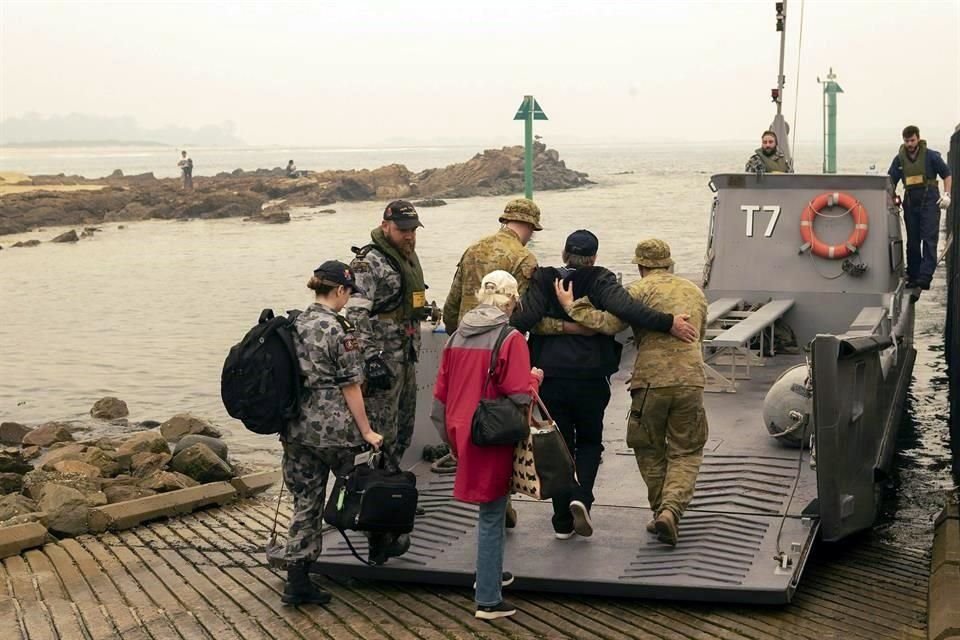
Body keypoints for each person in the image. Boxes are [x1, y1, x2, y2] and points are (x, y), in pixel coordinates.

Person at [510, 229, 698, 540]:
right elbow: (627, 309)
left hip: (550, 377)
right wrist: (668, 323)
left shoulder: (544, 278)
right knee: (589, 442)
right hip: (590, 377)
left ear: (564, 254)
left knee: (560, 446)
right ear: (594, 257)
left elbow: (522, 319)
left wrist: (552, 323)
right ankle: (581, 498)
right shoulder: (600, 279)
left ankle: (562, 521)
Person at [556, 239, 708, 547]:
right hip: (691, 379)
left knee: (648, 447)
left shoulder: (637, 291)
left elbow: (609, 324)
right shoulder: (694, 291)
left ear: (640, 266)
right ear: (668, 263)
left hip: (650, 382)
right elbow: (699, 335)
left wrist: (573, 306)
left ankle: (661, 509)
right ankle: (671, 510)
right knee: (687, 450)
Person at [430, 270, 542, 620]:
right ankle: (488, 598)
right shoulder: (510, 338)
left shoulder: (456, 336)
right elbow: (520, 394)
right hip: (491, 432)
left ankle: (490, 572)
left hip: (461, 429)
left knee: (490, 506)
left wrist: (449, 439)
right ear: (512, 301)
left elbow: (439, 397)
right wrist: (535, 378)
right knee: (492, 512)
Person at [281, 260, 387, 606]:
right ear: (340, 290)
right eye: (348, 293)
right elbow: (351, 385)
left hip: (296, 428)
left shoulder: (294, 323)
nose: (348, 299)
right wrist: (367, 431)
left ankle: (297, 579)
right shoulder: (339, 329)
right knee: (365, 486)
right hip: (335, 431)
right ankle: (379, 547)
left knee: (305, 502)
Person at [345, 200, 430, 472]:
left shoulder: (406, 258)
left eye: (413, 230)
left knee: (404, 427)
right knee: (382, 432)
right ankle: (372, 486)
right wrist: (370, 358)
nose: (409, 236)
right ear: (385, 226)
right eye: (402, 230)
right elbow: (355, 314)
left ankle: (392, 482)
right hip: (382, 361)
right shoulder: (366, 263)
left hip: (406, 356)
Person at [443, 198, 543, 334]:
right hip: (499, 340)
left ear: (506, 221)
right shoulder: (525, 259)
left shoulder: (474, 249)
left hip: (465, 333)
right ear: (531, 227)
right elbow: (521, 313)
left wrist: (457, 335)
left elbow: (452, 305)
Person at [887, 125, 952, 291]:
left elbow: (946, 174)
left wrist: (947, 194)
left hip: (929, 200)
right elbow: (890, 181)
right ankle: (914, 274)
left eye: (912, 140)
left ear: (918, 138)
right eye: (907, 141)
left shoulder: (931, 156)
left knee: (929, 239)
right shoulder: (899, 159)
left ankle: (925, 276)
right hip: (910, 202)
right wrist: (892, 197)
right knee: (913, 241)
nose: (909, 144)